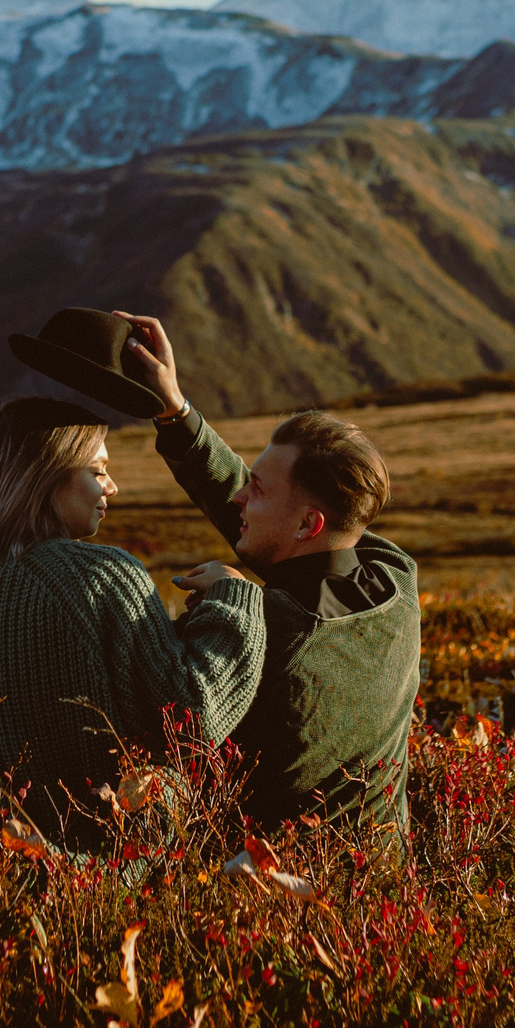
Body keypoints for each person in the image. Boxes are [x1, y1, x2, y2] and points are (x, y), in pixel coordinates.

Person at [114, 312, 421, 839]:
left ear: (308, 523)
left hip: (267, 901)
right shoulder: (395, 577)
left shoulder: (272, 636)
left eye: (256, 488)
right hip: (383, 895)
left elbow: (155, 717)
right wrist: (175, 412)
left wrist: (235, 600)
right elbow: (271, 523)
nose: (238, 497)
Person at [0, 396, 266, 844]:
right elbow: (189, 720)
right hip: (108, 872)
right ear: (46, 476)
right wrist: (234, 598)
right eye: (98, 470)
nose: (113, 487)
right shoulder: (106, 576)